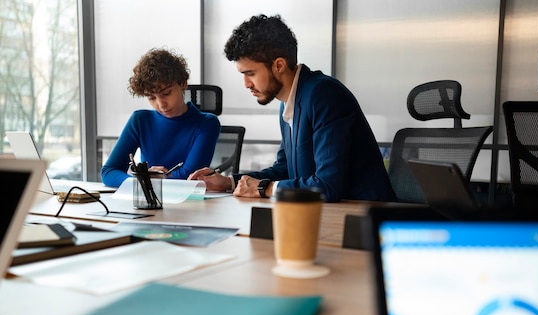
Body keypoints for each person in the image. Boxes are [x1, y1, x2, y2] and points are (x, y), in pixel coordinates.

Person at [188, 14, 396, 203]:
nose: (246, 84)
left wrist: (264, 188)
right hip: (329, 213)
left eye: (250, 73)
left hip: (365, 217)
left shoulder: (324, 95)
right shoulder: (290, 102)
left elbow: (328, 185)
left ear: (279, 65)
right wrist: (229, 183)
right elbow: (286, 170)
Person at [101, 48, 220, 187]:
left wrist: (149, 180)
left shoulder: (207, 123)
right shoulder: (140, 120)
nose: (161, 104)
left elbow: (190, 177)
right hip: (149, 202)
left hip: (188, 202)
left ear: (183, 83)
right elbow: (108, 172)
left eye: (166, 93)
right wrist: (140, 182)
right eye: (151, 97)